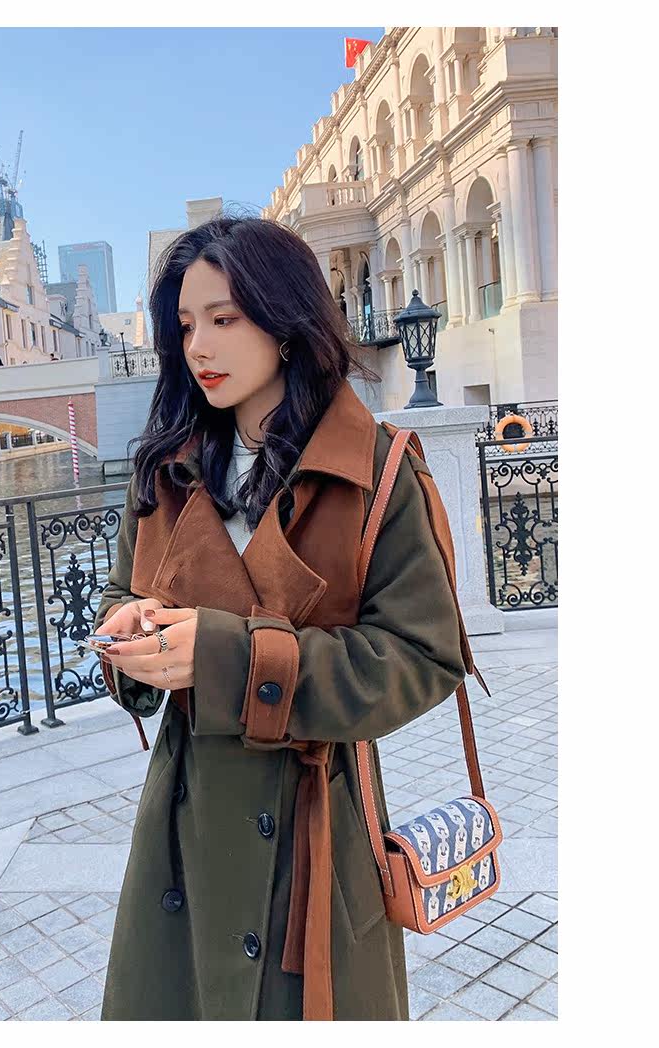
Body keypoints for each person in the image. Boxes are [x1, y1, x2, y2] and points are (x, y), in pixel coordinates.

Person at [92, 214, 466, 1021]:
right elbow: (121, 594)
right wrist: (129, 635)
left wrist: (228, 657)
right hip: (183, 826)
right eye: (186, 325)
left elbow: (421, 655)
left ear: (285, 322)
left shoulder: (374, 470)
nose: (199, 346)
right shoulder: (165, 468)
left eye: (224, 318)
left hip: (315, 826)